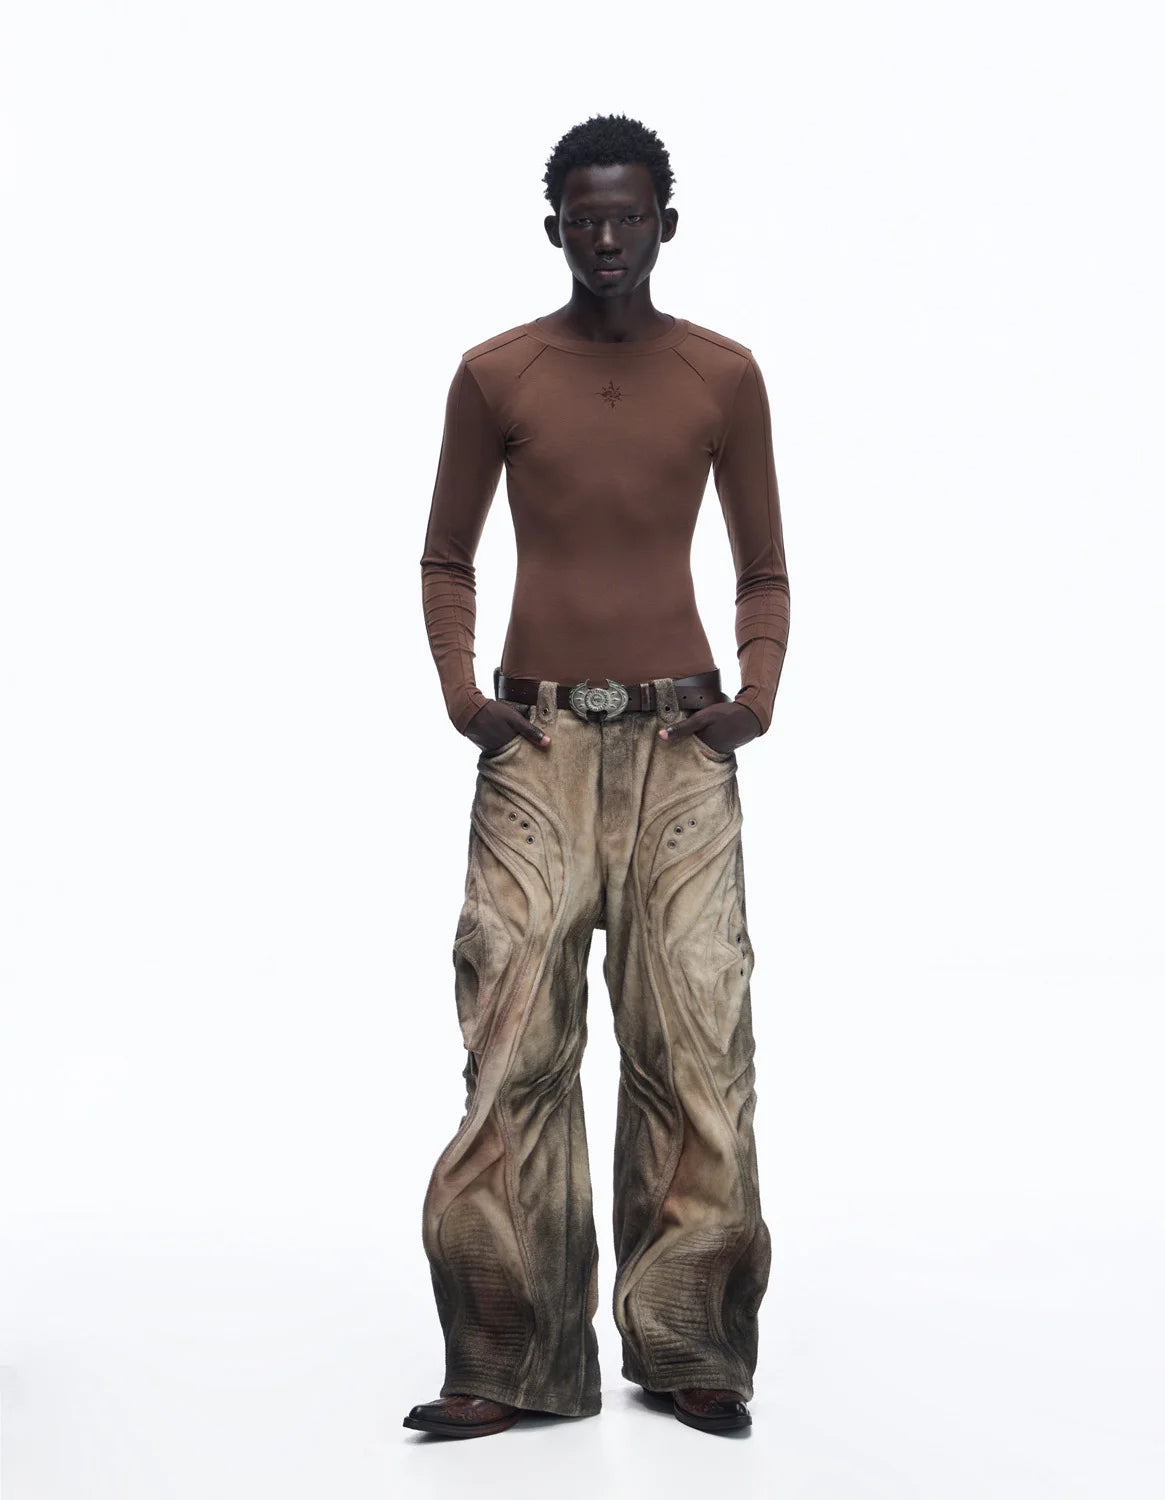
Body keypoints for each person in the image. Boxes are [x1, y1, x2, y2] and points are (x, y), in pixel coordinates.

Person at [405, 113, 789, 1439]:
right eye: (585, 217)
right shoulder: (497, 374)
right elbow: (446, 555)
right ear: (554, 226)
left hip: (683, 746)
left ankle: (691, 1345)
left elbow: (764, 567)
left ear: (665, 225)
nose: (608, 237)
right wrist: (467, 700)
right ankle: (507, 1357)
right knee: (510, 1037)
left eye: (629, 216)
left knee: (698, 1041)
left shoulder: (722, 375)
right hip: (539, 745)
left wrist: (753, 700)